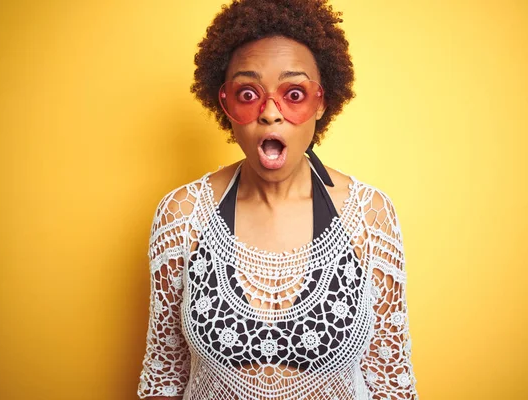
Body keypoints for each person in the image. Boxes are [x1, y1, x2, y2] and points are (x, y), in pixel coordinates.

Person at [137, 0, 418, 399]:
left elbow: (391, 383)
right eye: (248, 93)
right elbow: (164, 376)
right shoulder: (183, 216)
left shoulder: (369, 217)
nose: (270, 113)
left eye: (294, 93)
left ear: (322, 102)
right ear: (225, 104)